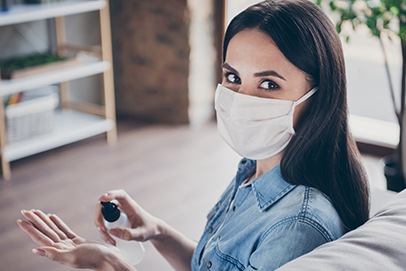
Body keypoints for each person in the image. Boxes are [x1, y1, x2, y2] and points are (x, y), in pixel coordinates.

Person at [17, 0, 370, 270]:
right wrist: (157, 231)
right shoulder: (255, 169)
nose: (241, 99)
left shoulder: (298, 227)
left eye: (268, 84)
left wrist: (114, 265)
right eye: (233, 77)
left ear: (319, 97)